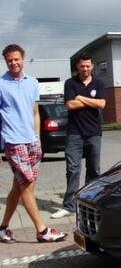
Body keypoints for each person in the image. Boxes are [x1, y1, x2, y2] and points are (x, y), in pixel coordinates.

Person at [0, 44, 67, 243]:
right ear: (6, 62)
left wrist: (38, 139)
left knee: (19, 187)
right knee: (27, 186)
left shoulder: (33, 82)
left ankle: (3, 228)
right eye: (9, 60)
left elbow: (35, 112)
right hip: (13, 141)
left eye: (16, 59)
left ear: (23, 59)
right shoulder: (1, 84)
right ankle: (42, 230)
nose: (13, 63)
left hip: (32, 142)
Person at [51, 52, 107, 219]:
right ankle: (69, 205)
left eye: (88, 66)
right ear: (77, 66)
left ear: (92, 66)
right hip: (74, 133)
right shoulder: (70, 83)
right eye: (82, 66)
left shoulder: (99, 83)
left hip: (94, 133)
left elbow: (102, 103)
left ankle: (89, 204)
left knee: (94, 170)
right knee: (73, 169)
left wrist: (81, 98)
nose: (85, 69)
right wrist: (91, 101)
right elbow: (70, 105)